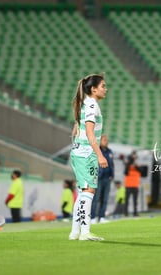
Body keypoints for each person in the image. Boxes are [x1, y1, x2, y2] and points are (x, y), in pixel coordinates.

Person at [69, 73, 108, 241]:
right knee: (89, 191)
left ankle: (75, 232)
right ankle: (85, 232)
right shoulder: (92, 105)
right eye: (103, 86)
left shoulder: (84, 103)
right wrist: (100, 155)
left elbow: (76, 130)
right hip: (86, 153)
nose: (106, 89)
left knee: (82, 191)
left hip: (78, 151)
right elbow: (90, 133)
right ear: (93, 89)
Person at [91, 134, 114, 224]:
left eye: (107, 140)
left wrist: (112, 175)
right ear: (100, 141)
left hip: (107, 178)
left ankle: (102, 217)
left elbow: (111, 165)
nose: (106, 141)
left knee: (105, 199)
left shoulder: (110, 151)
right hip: (98, 178)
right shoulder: (97, 151)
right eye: (104, 140)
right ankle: (93, 217)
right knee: (96, 199)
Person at [124, 152, 142, 217]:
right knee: (127, 200)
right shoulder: (128, 165)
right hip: (128, 185)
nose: (134, 157)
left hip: (135, 185)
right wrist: (130, 163)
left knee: (135, 200)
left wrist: (136, 166)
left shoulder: (137, 165)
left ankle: (135, 212)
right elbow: (125, 172)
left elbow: (141, 171)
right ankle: (126, 213)